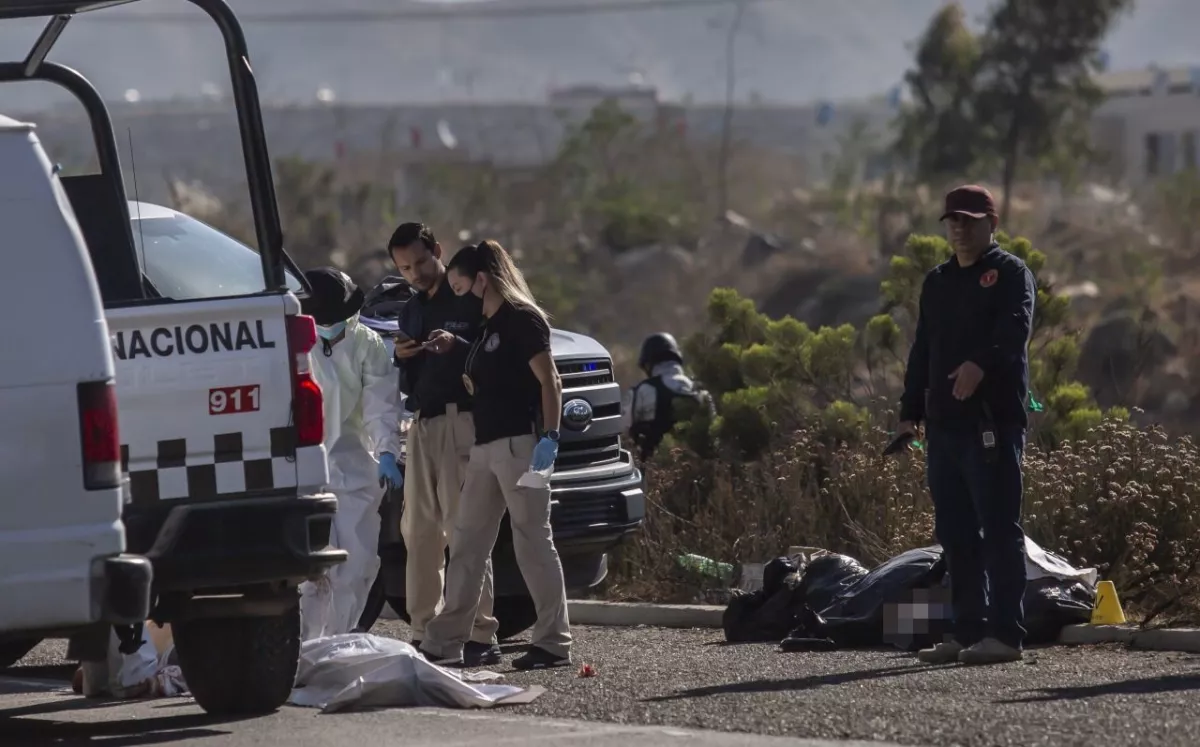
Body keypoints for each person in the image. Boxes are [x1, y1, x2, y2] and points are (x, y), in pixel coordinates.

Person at [897, 185, 1036, 666]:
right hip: (944, 427)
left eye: (971, 220)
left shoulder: (1010, 274)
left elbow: (1015, 330)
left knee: (999, 528)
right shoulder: (937, 282)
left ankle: (1006, 635)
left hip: (991, 424)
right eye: (953, 220)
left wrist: (981, 363)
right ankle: (966, 630)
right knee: (955, 533)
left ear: (991, 224)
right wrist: (909, 409)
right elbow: (923, 349)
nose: (960, 227)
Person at [419, 240, 572, 671]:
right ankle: (445, 640)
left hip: (522, 446)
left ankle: (553, 641)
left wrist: (550, 437)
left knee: (532, 540)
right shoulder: (485, 327)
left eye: (461, 285)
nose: (457, 294)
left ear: (482, 280)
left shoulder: (522, 319)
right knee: (466, 543)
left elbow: (550, 381)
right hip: (486, 448)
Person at [386, 223, 500, 665]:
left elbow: (494, 348)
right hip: (421, 425)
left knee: (464, 531)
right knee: (419, 533)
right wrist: (402, 356)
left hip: (462, 421)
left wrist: (458, 344)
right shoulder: (411, 310)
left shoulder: (468, 297)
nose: (414, 273)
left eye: (419, 262)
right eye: (404, 267)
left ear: (437, 250)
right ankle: (424, 631)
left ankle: (480, 632)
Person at [298, 267, 405, 641]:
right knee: (309, 573)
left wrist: (387, 452)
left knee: (356, 564)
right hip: (303, 471)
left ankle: (337, 643)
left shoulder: (367, 345)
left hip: (355, 467)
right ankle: (303, 649)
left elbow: (381, 406)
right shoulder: (294, 344)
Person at [625, 332, 712, 462]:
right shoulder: (701, 391)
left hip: (654, 471)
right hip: (700, 469)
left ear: (648, 364)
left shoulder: (643, 390)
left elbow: (624, 430)